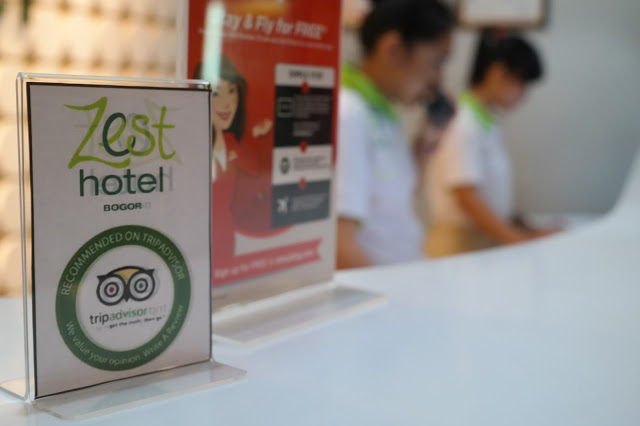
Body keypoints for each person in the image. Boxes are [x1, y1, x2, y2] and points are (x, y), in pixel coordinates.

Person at [336, 0, 454, 269]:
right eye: (436, 62)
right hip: (383, 287)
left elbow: (396, 202)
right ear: (393, 49)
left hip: (403, 276)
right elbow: (340, 249)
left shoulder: (382, 113)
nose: (438, 80)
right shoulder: (348, 114)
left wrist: (425, 145)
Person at [426, 31, 558, 258]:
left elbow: (493, 197)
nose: (523, 94)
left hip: (483, 242)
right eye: (521, 83)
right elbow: (466, 197)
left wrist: (528, 229)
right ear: (497, 72)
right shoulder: (461, 120)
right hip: (460, 247)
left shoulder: (486, 122)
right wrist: (521, 241)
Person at [195, 56, 275, 262]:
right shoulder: (194, 147)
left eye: (232, 91)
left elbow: (254, 173)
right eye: (215, 93)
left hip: (226, 237)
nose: (227, 103)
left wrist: (257, 137)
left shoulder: (230, 141)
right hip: (198, 243)